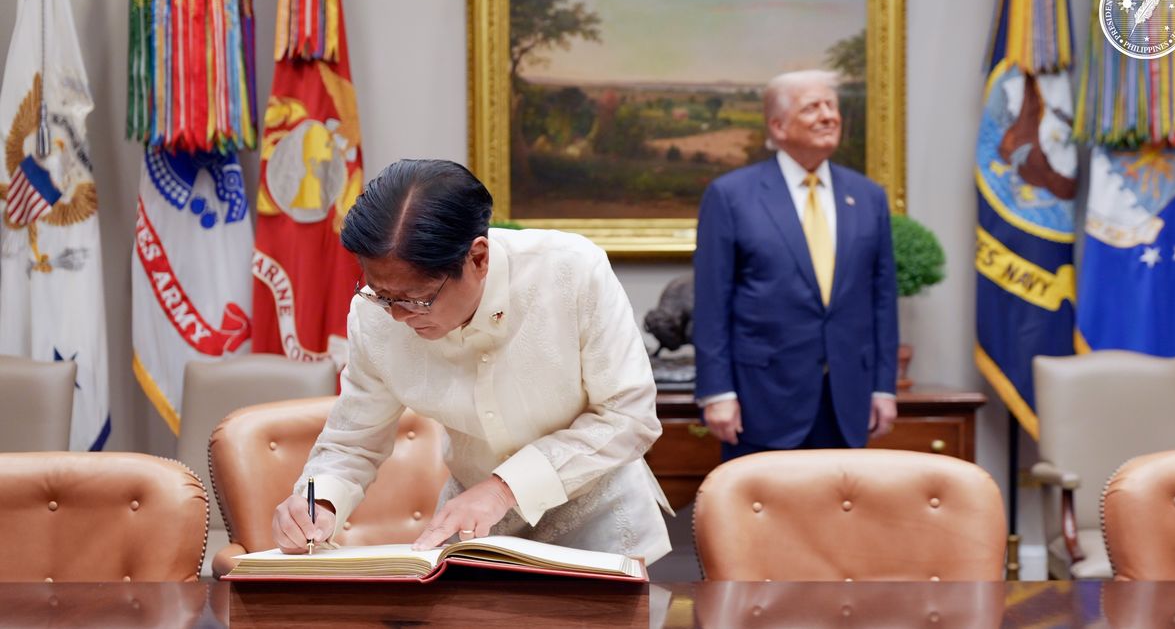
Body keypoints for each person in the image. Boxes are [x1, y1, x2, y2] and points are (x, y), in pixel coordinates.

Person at [270, 159, 671, 564]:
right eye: (380, 293)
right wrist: (321, 501)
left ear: (478, 258)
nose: (396, 315)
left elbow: (628, 415)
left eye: (417, 298)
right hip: (476, 530)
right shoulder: (374, 316)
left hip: (597, 517)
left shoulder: (571, 271)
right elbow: (354, 440)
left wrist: (504, 488)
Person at [692, 70, 899, 462]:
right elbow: (711, 304)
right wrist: (717, 392)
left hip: (846, 401)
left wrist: (883, 388)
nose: (828, 116)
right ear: (778, 126)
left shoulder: (868, 197)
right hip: (761, 400)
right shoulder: (731, 196)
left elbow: (882, 300)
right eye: (812, 107)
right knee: (761, 523)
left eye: (831, 105)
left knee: (838, 523)